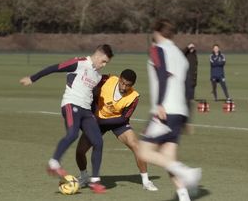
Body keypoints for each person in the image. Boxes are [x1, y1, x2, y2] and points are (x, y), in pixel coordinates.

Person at [19, 44, 113, 193]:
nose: (104, 65)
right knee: (73, 134)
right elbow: (55, 67)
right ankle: (54, 162)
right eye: (103, 61)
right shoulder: (79, 63)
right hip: (71, 105)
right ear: (98, 55)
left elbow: (92, 95)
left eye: (106, 63)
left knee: (98, 142)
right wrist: (33, 78)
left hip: (86, 112)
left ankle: (95, 181)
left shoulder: (97, 75)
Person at [137, 19, 201, 201]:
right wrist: (187, 118)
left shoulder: (157, 49)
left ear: (157, 32)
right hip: (179, 112)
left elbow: (163, 75)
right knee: (168, 159)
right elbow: (189, 87)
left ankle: (188, 172)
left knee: (143, 152)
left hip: (164, 109)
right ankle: (184, 197)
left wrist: (159, 104)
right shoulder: (181, 56)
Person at [75, 69, 158, 191]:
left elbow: (123, 119)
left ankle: (146, 182)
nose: (124, 87)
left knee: (137, 146)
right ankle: (84, 176)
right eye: (122, 83)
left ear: (132, 85)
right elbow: (90, 89)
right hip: (96, 121)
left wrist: (100, 120)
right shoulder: (106, 80)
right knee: (80, 151)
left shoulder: (134, 97)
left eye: (128, 85)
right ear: (119, 78)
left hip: (117, 123)